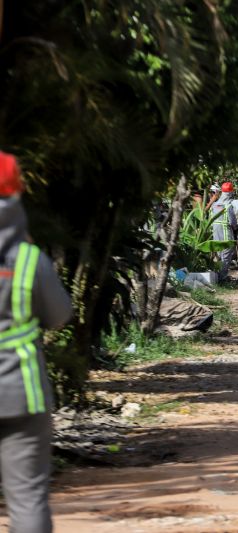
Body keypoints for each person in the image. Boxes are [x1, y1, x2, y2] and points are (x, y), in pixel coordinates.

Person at [0, 151, 73, 533]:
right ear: (17, 195)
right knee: (27, 497)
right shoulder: (29, 260)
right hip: (21, 394)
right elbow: (60, 315)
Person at [210, 182, 238, 282]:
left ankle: (217, 276)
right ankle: (222, 278)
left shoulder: (214, 205)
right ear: (231, 192)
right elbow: (233, 222)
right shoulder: (228, 206)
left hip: (216, 235)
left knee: (219, 256)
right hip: (226, 235)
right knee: (226, 255)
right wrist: (236, 228)